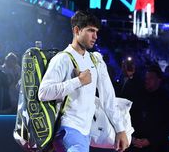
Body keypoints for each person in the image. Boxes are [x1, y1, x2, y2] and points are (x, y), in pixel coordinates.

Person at [38, 10, 129, 152]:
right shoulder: (62, 59)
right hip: (67, 129)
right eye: (91, 31)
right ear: (76, 30)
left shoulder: (96, 60)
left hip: (87, 132)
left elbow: (108, 97)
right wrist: (78, 81)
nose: (95, 36)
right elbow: (43, 93)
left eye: (97, 32)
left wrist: (120, 129)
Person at [130, 65, 169, 152]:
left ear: (159, 80)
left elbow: (166, 126)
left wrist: (150, 141)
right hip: (135, 145)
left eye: (151, 78)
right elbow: (131, 117)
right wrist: (133, 138)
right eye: (146, 78)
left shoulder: (166, 100)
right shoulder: (139, 96)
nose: (147, 81)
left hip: (156, 147)